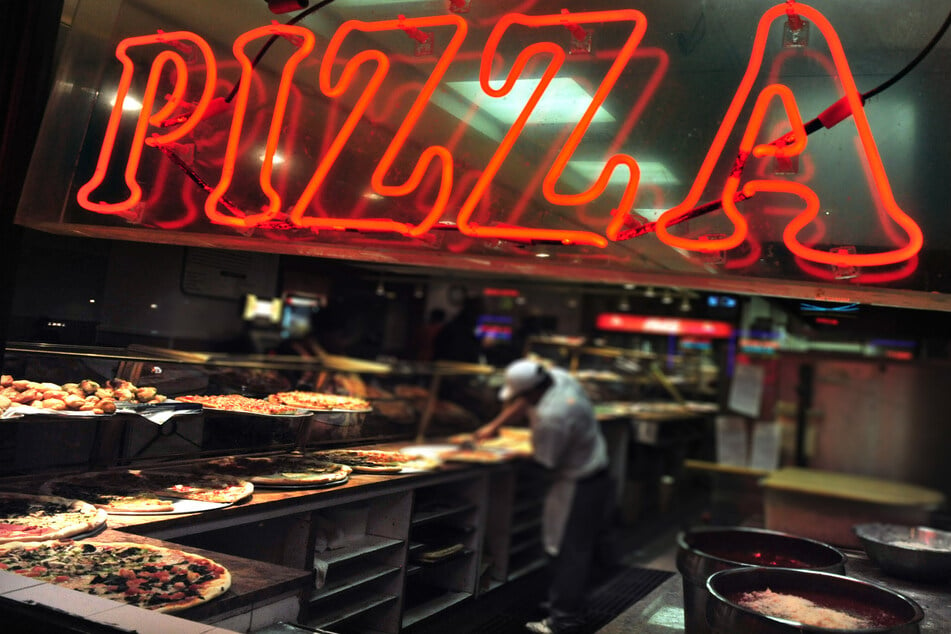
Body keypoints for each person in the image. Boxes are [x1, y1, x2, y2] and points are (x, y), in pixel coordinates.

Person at [475, 358, 612, 634]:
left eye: (522, 394)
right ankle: (570, 607)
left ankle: (564, 620)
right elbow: (522, 404)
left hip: (578, 483)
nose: (520, 400)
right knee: (574, 548)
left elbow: (545, 463)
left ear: (533, 390)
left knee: (568, 551)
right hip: (590, 470)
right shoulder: (557, 378)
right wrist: (493, 426)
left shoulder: (555, 415)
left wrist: (505, 455)